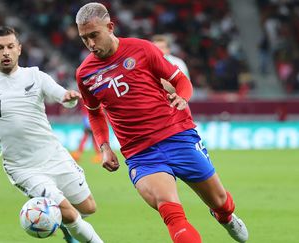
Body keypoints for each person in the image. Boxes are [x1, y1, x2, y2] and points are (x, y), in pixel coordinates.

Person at [75, 3, 248, 243]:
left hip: (177, 135)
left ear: (110, 27)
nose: (91, 44)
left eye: (94, 35)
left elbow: (181, 81)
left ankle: (225, 216)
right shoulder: (85, 73)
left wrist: (181, 97)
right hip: (141, 153)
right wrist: (104, 147)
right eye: (84, 39)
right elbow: (94, 113)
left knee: (221, 201)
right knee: (172, 214)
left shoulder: (142, 50)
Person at [0, 26, 103, 243]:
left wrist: (69, 98)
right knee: (66, 211)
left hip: (54, 155)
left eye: (10, 46)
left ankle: (66, 226)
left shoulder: (35, 76)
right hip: (23, 167)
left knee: (88, 207)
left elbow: (62, 97)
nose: (6, 52)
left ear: (19, 49)